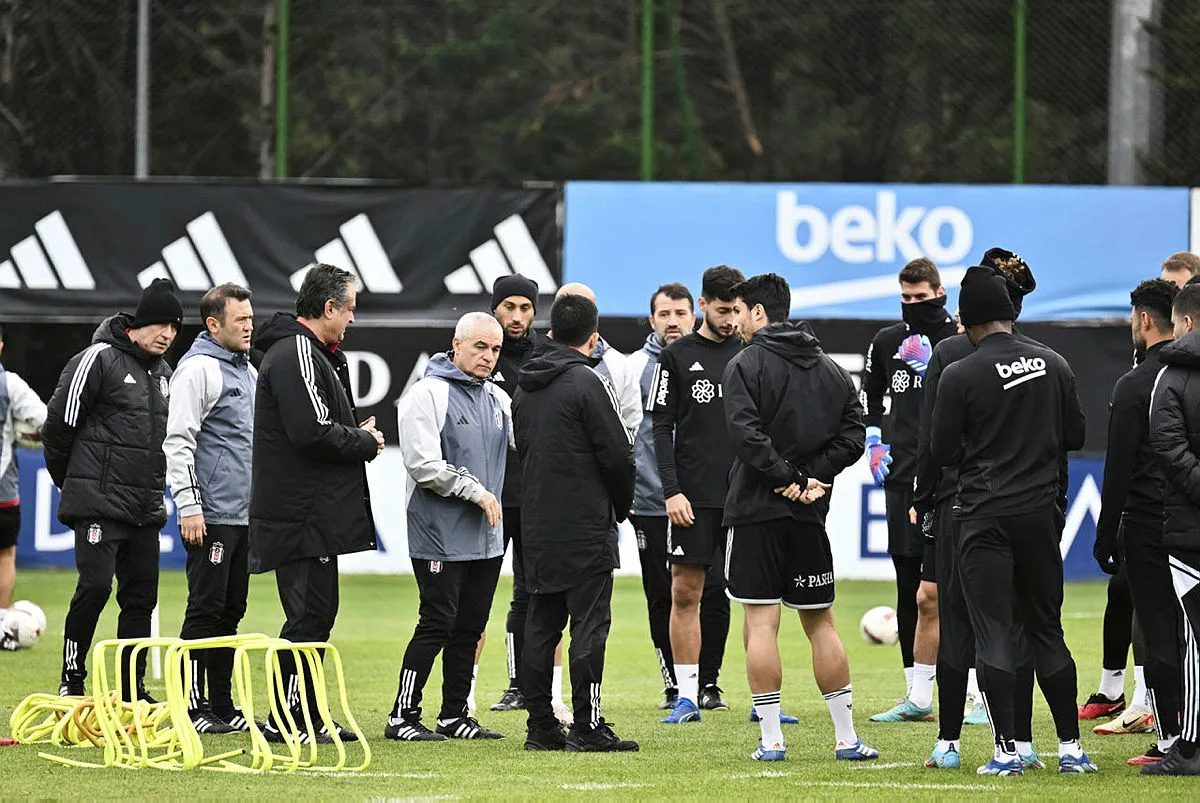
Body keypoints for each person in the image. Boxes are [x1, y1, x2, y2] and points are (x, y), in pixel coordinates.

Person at [929, 265, 1095, 776]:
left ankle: (1006, 753)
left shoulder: (960, 374)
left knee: (995, 629)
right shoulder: (1055, 363)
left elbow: (942, 451)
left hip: (984, 515)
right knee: (1047, 628)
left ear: (966, 319)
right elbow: (1075, 435)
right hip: (1040, 513)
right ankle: (1070, 748)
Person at [723, 273, 878, 763]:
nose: (736, 321)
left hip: (754, 512)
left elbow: (745, 435)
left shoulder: (745, 364)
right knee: (821, 624)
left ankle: (771, 740)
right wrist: (811, 477)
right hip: (809, 513)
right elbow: (855, 435)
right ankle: (847, 738)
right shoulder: (831, 369)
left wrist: (786, 476)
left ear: (760, 313)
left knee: (761, 624)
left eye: (740, 311)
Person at [916, 248, 1048, 770]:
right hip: (1020, 504)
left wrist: (922, 498)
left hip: (959, 505)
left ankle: (949, 742)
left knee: (960, 622)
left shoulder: (950, 354)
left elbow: (934, 440)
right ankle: (1019, 740)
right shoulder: (1039, 354)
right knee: (1011, 625)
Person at [249, 263, 383, 743]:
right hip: (301, 514)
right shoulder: (296, 351)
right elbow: (311, 432)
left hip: (310, 513)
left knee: (316, 616)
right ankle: (291, 720)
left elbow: (318, 426)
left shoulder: (311, 353)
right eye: (350, 310)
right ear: (329, 308)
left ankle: (300, 715)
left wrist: (351, 435)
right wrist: (364, 442)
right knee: (307, 616)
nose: (352, 320)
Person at [42, 279, 181, 699]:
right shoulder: (97, 359)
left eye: (174, 328)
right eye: (160, 325)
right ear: (137, 324)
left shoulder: (165, 375)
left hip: (144, 510)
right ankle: (72, 678)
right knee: (96, 586)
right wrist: (75, 487)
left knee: (141, 599)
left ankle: (130, 688)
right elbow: (57, 430)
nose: (167, 335)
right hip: (98, 507)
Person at [514, 294, 637, 752]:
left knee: (541, 623)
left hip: (537, 522)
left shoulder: (524, 387)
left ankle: (540, 727)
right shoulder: (587, 382)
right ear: (594, 337)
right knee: (588, 625)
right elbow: (619, 456)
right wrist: (621, 507)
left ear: (549, 333)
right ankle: (587, 726)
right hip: (585, 523)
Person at [385, 312, 512, 742]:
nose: (488, 357)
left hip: (486, 536)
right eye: (480, 347)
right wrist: (475, 492)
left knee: (471, 626)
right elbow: (422, 464)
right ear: (455, 344)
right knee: (436, 622)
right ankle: (402, 715)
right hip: (438, 532)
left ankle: (454, 715)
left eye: (495, 349)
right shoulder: (427, 393)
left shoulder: (497, 398)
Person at [861, 258, 958, 723]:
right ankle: (915, 694)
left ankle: (974, 692)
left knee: (949, 586)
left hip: (947, 476)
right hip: (900, 476)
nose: (914, 305)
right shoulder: (886, 341)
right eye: (906, 298)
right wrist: (874, 439)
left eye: (922, 297)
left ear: (940, 293)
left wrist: (939, 362)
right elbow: (871, 396)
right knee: (906, 581)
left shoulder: (958, 340)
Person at [1094, 278, 1181, 766]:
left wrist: (1107, 534)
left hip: (1149, 525)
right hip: (1189, 520)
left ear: (1145, 320)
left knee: (1158, 631)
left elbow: (1119, 467)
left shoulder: (1135, 384)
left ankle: (1171, 741)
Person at [651, 265, 743, 722]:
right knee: (686, 591)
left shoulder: (752, 352)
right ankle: (686, 695)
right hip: (694, 497)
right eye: (723, 310)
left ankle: (733, 689)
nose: (730, 319)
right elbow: (660, 427)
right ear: (703, 305)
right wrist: (672, 490)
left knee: (750, 595)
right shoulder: (677, 355)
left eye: (737, 310)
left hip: (746, 497)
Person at [164, 283, 256, 733]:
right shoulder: (198, 369)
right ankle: (191, 706)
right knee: (205, 607)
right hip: (212, 513)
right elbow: (178, 442)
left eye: (251, 318)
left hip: (242, 515)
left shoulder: (247, 370)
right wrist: (189, 506)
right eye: (241, 320)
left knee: (231, 609)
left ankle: (221, 703)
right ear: (214, 324)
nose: (250, 326)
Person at [627, 283, 695, 708]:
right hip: (650, 502)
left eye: (680, 313)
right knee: (662, 593)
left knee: (710, 593)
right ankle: (674, 683)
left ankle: (707, 683)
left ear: (695, 315)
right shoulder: (633, 368)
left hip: (705, 500)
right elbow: (626, 436)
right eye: (664, 314)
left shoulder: (716, 361)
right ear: (652, 320)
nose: (672, 321)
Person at [1146, 282, 1200, 776]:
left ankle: (1189, 748)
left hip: (1190, 530)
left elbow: (1169, 447)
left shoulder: (1169, 376)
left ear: (1183, 322)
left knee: (1196, 642)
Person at [0, 323, 48, 649]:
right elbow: (45, 423)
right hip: (2, 489)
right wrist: (23, 436)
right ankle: (2, 624)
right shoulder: (10, 384)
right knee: (4, 555)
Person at [555, 283, 641, 438]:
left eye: (583, 308)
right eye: (567, 307)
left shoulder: (618, 365)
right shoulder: (534, 361)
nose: (574, 315)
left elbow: (630, 424)